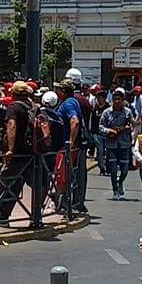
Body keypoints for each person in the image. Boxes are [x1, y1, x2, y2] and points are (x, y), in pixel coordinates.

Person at [0, 81, 44, 227]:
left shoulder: (14, 107)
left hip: (17, 154)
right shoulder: (34, 107)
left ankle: (2, 217)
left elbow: (12, 126)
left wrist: (10, 149)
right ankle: (37, 217)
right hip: (32, 153)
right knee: (36, 185)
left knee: (6, 183)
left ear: (13, 93)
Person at [57, 81, 90, 216]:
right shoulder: (74, 101)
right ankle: (72, 203)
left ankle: (66, 203)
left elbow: (75, 121)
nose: (57, 92)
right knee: (72, 175)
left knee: (64, 175)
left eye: (59, 90)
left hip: (68, 147)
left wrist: (70, 142)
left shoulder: (69, 103)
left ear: (63, 92)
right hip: (73, 146)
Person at [98, 88, 136, 200]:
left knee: (124, 169)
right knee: (113, 170)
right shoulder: (107, 112)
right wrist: (109, 131)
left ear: (123, 100)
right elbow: (101, 127)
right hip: (111, 145)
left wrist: (129, 128)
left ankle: (120, 182)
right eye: (115, 99)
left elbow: (133, 124)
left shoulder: (128, 112)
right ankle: (115, 190)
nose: (117, 101)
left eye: (119, 99)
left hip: (124, 144)